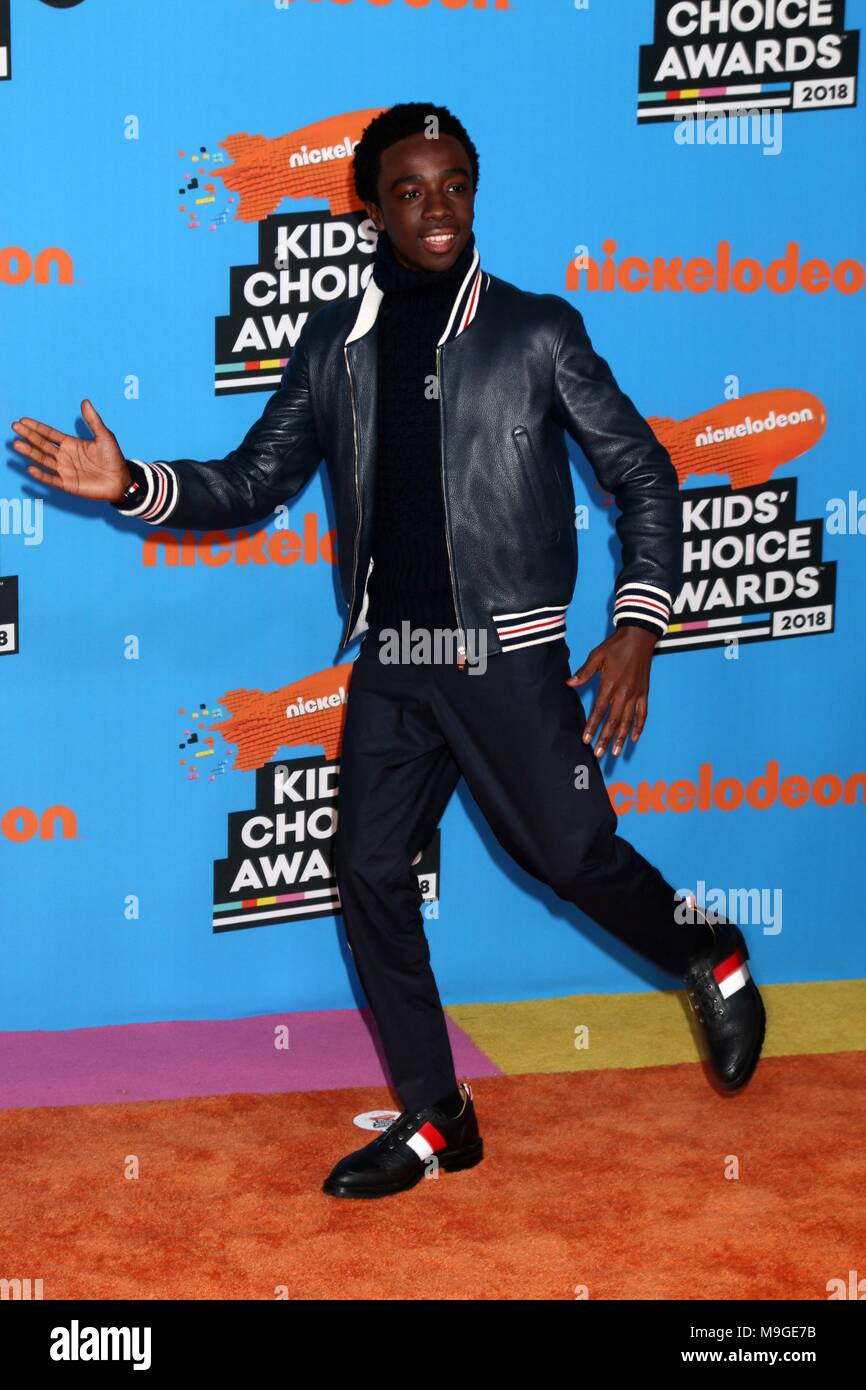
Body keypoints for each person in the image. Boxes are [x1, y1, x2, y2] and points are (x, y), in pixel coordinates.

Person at [10, 102, 765, 1202]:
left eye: (454, 183)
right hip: (394, 659)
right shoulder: (333, 343)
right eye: (409, 190)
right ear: (366, 203)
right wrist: (129, 485)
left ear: (473, 188)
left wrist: (638, 622)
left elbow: (643, 474)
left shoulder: (535, 331)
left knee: (570, 860)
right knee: (364, 872)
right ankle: (436, 1116)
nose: (437, 210)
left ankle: (708, 949)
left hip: (504, 653)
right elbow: (252, 481)